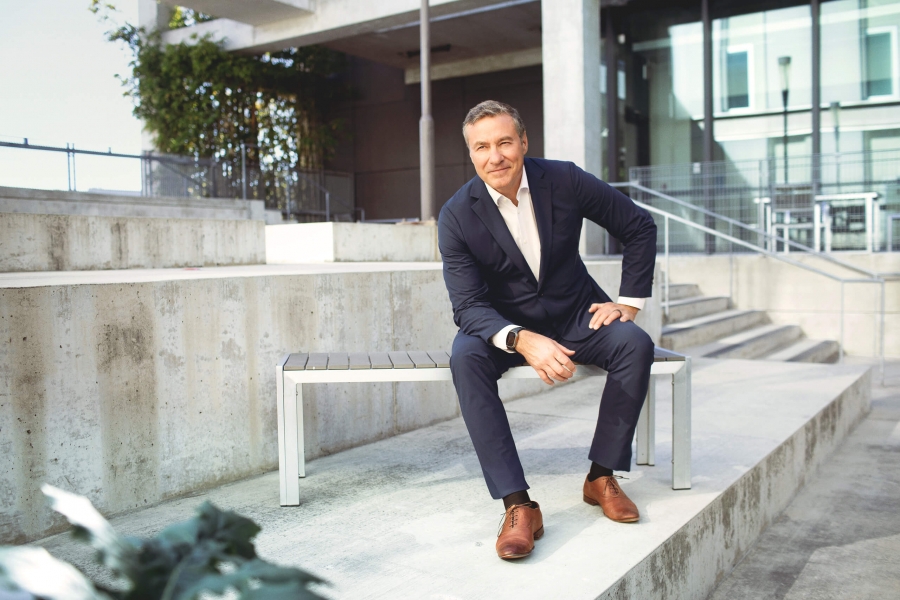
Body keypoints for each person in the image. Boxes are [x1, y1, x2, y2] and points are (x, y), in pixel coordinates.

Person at [437, 100, 657, 561]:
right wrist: (520, 338)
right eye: (482, 147)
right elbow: (469, 306)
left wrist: (629, 304)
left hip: (578, 313)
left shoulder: (564, 179)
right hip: (503, 327)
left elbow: (637, 225)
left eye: (503, 142)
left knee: (634, 344)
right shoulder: (457, 215)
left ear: (523, 143)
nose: (494, 156)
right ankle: (518, 506)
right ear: (471, 154)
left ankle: (601, 476)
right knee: (466, 358)